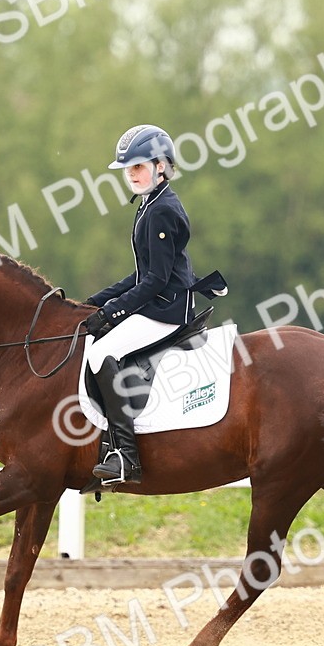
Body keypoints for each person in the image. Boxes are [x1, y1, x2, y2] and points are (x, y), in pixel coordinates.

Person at [82, 124, 223, 486]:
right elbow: (139, 274)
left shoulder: (161, 211)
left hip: (167, 308)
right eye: (129, 169)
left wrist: (112, 313)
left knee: (100, 354)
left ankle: (125, 456)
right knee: (99, 344)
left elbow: (156, 280)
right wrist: (95, 303)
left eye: (139, 167)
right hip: (158, 300)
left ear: (161, 166)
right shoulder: (150, 204)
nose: (132, 174)